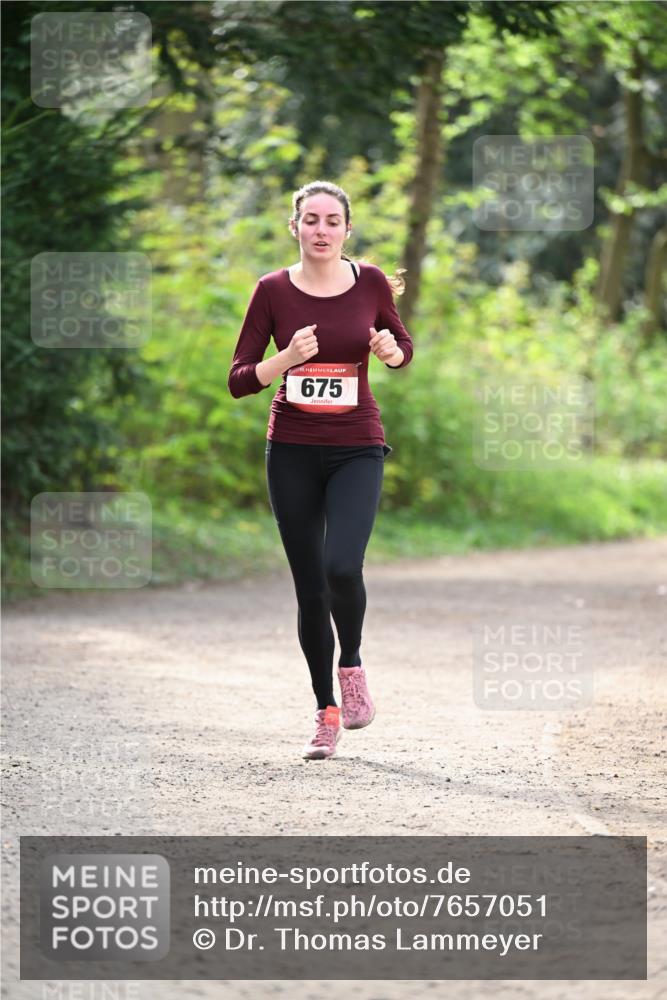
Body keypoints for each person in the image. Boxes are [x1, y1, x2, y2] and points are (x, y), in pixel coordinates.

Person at [228, 180, 414, 760]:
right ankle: (325, 712)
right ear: (295, 227)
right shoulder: (272, 291)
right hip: (292, 449)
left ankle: (351, 667)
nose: (322, 230)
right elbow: (239, 379)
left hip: (357, 445)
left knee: (342, 567)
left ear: (347, 230)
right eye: (311, 220)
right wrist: (285, 359)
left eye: (333, 220)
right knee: (310, 588)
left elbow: (403, 346)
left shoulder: (371, 282)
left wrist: (391, 353)